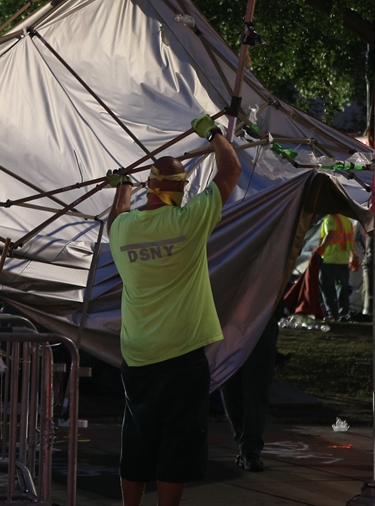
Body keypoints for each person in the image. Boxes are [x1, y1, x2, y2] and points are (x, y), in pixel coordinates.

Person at [105, 114, 241, 506]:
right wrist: (213, 134)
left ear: (149, 186)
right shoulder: (189, 221)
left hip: (138, 354)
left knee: (137, 435)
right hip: (181, 354)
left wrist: (123, 187)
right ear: (182, 189)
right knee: (178, 440)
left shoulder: (123, 230)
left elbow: (117, 214)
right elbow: (230, 169)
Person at [220, 313, 279, 472]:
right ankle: (246, 447)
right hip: (232, 321)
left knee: (254, 388)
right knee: (231, 387)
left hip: (258, 320)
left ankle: (249, 448)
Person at [316, 213, 356, 321]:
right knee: (342, 288)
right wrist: (354, 257)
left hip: (330, 259)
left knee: (326, 287)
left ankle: (332, 314)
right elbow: (351, 240)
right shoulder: (346, 220)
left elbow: (330, 234)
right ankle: (344, 314)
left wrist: (321, 249)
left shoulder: (329, 219)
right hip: (343, 259)